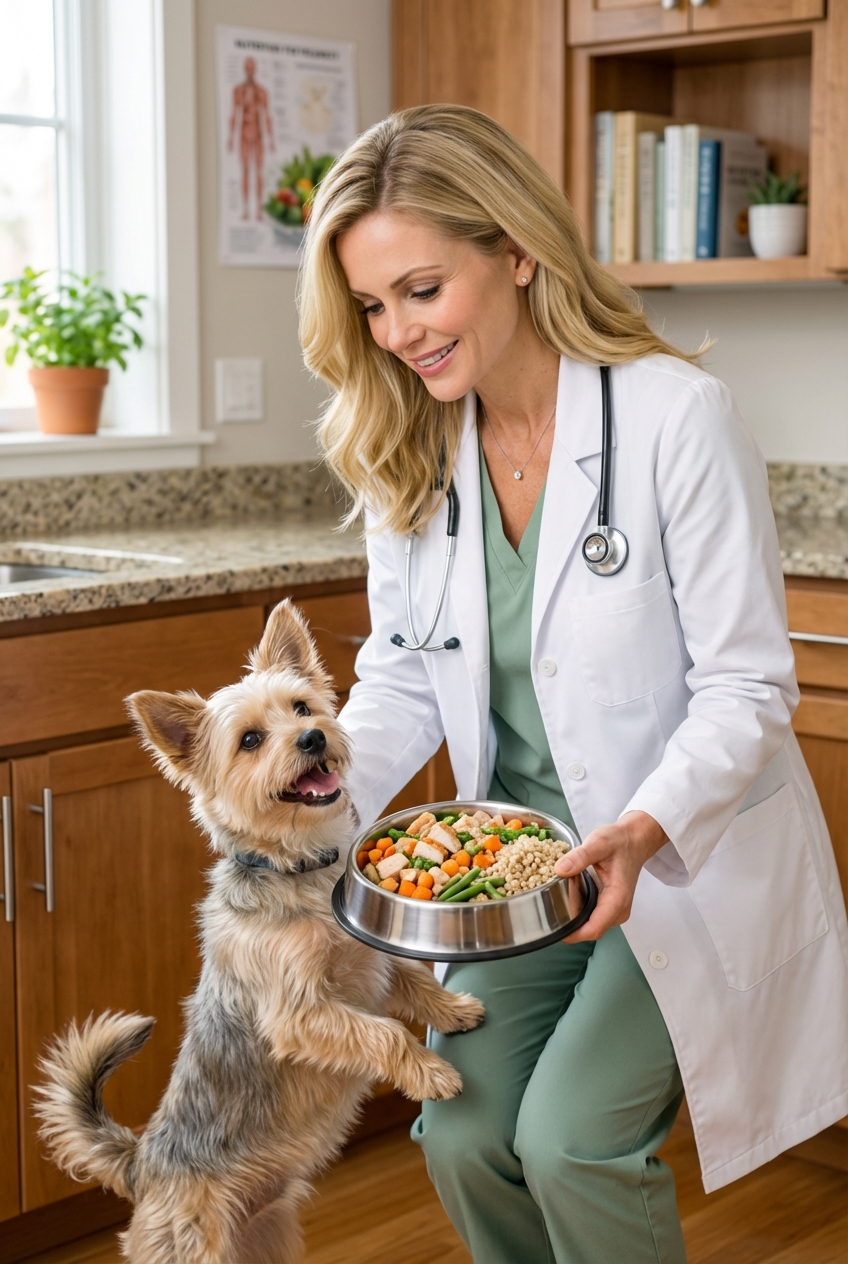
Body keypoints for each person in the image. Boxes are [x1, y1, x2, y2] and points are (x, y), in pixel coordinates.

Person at [299, 105, 848, 1263]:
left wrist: (645, 825)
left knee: (569, 1141)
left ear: (515, 249)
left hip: (679, 860)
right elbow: (399, 675)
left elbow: (748, 684)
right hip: (524, 874)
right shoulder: (410, 449)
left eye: (421, 289)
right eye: (369, 306)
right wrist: (304, 821)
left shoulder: (670, 419)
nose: (396, 332)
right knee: (458, 1131)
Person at [227, 56, 275, 221]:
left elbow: (266, 115)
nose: (249, 71)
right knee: (246, 171)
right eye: (247, 68)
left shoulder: (261, 92)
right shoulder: (238, 91)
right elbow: (234, 114)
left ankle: (259, 210)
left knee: (259, 172)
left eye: (251, 67)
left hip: (258, 134)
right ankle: (246, 209)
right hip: (244, 133)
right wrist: (231, 138)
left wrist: (271, 139)